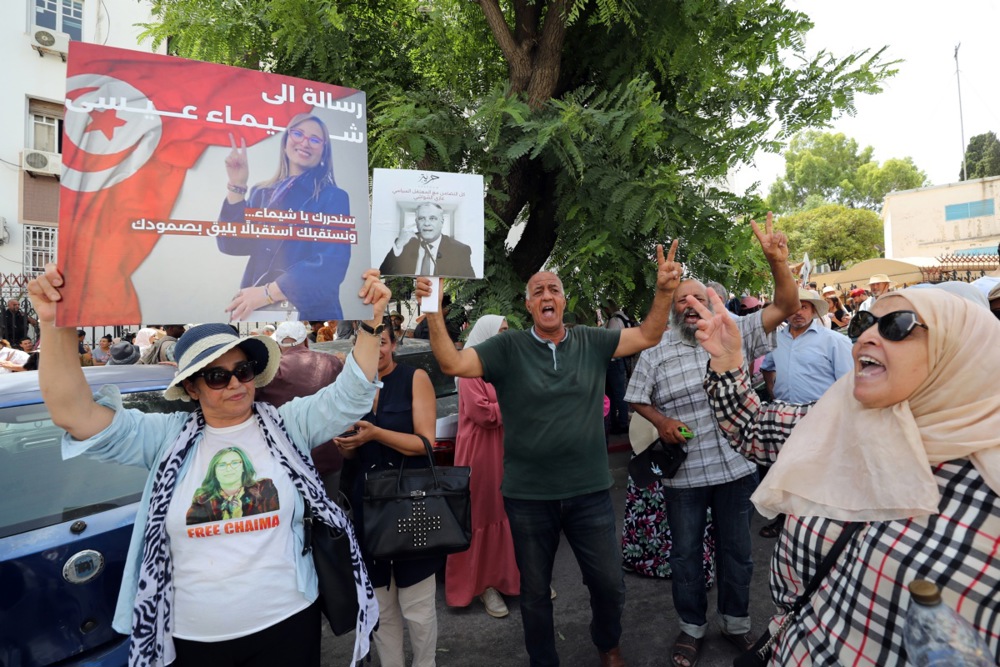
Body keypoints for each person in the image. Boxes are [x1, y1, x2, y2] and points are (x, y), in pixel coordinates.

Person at [27, 263, 389, 667]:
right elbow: (73, 413)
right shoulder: (164, 439)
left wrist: (372, 326)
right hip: (193, 638)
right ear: (191, 387)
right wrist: (52, 322)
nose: (235, 383)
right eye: (217, 376)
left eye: (243, 370)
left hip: (289, 622)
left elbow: (351, 396)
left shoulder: (289, 426)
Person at [689, 286, 1000, 665]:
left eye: (897, 326)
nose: (867, 335)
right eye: (867, 321)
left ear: (959, 351)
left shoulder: (987, 484)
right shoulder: (841, 421)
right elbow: (751, 427)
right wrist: (727, 359)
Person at [416, 241, 684, 667]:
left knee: (609, 584)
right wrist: (432, 309)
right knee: (535, 593)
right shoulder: (508, 349)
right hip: (528, 498)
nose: (546, 296)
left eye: (553, 289)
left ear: (563, 301)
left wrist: (665, 291)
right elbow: (451, 363)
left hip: (590, 493)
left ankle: (608, 645)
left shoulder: (592, 342)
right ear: (528, 304)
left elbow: (649, 335)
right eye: (538, 290)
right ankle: (544, 660)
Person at [623, 214, 799, 667]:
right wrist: (660, 420)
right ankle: (692, 629)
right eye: (681, 298)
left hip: (737, 469)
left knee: (738, 553)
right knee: (685, 557)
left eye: (697, 296)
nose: (689, 304)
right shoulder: (655, 348)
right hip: (685, 475)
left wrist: (777, 263)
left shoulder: (734, 330)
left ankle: (736, 624)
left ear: (713, 300)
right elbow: (636, 398)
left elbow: (784, 304)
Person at [334, 320, 440, 667]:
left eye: (383, 342)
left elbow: (426, 445)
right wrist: (347, 445)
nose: (377, 349)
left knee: (419, 611)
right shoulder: (351, 389)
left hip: (411, 509)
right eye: (369, 344)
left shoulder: (414, 379)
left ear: (393, 345)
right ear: (356, 350)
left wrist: (376, 434)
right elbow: (351, 457)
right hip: (367, 515)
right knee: (381, 612)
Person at [218, 114, 352, 321]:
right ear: (285, 141)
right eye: (298, 134)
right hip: (256, 311)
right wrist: (237, 186)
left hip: (308, 313)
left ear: (324, 152)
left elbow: (332, 263)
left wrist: (268, 293)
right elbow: (232, 245)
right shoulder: (260, 192)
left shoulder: (333, 197)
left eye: (315, 139)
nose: (305, 143)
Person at [444, 315, 520, 618]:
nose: (503, 337)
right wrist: (515, 403)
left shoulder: (506, 367)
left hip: (506, 449)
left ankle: (513, 579)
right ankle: (484, 586)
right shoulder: (468, 370)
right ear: (486, 334)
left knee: (508, 512)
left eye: (506, 332)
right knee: (483, 514)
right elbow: (483, 415)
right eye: (499, 332)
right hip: (480, 453)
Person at [255, 320, 346, 497]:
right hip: (328, 454)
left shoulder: (269, 370)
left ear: (278, 345)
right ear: (305, 341)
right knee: (329, 511)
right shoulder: (333, 362)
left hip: (286, 458)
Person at [185, 447, 280, 524]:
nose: (229, 469)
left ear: (244, 467)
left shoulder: (263, 489)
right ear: (214, 471)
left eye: (235, 463)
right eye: (222, 465)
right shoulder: (202, 499)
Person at [379, 203, 476, 278]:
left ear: (442, 222)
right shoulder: (404, 243)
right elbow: (382, 273)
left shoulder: (460, 250)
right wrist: (398, 244)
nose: (426, 223)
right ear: (416, 222)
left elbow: (468, 283)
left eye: (432, 218)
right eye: (421, 219)